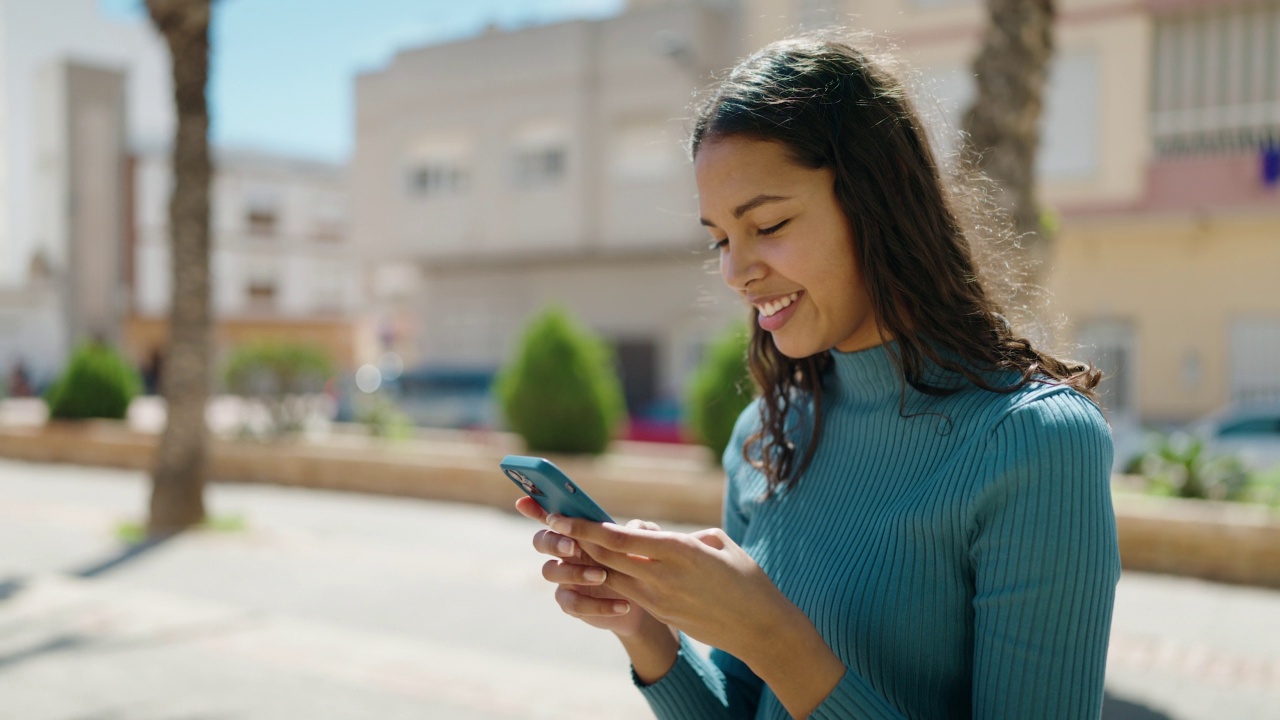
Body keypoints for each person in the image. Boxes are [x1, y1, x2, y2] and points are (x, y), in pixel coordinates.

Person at [516, 35, 1120, 719]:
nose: (734, 270)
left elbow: (778, 657)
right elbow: (744, 708)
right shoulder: (764, 436)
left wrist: (772, 637)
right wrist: (648, 632)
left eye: (767, 224)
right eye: (720, 238)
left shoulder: (1035, 444)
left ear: (878, 201)